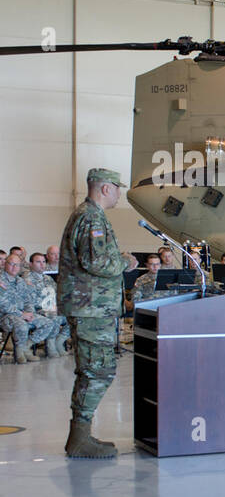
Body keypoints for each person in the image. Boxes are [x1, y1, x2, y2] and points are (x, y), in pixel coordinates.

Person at [57, 168, 139, 457]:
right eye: (117, 188)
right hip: (90, 308)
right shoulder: (92, 218)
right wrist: (125, 261)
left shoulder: (88, 215)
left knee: (92, 370)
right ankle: (79, 438)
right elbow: (97, 263)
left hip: (90, 307)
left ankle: (80, 435)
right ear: (105, 188)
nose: (119, 193)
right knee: (98, 372)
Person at [1, 252, 58, 362]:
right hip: (6, 316)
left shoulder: (21, 281)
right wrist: (22, 315)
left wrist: (30, 313)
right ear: (5, 264)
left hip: (24, 314)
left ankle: (26, 347)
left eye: (17, 265)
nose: (14, 267)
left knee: (48, 323)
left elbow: (28, 301)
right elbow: (3, 304)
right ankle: (19, 353)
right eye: (11, 264)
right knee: (21, 324)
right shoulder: (1, 281)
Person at [24, 252, 68, 354]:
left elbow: (57, 294)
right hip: (38, 310)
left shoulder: (47, 278)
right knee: (54, 317)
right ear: (30, 264)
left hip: (52, 308)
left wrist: (58, 305)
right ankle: (50, 344)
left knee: (74, 316)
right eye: (38, 262)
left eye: (43, 262)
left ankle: (59, 341)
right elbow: (30, 300)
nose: (42, 264)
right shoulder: (27, 279)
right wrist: (49, 307)